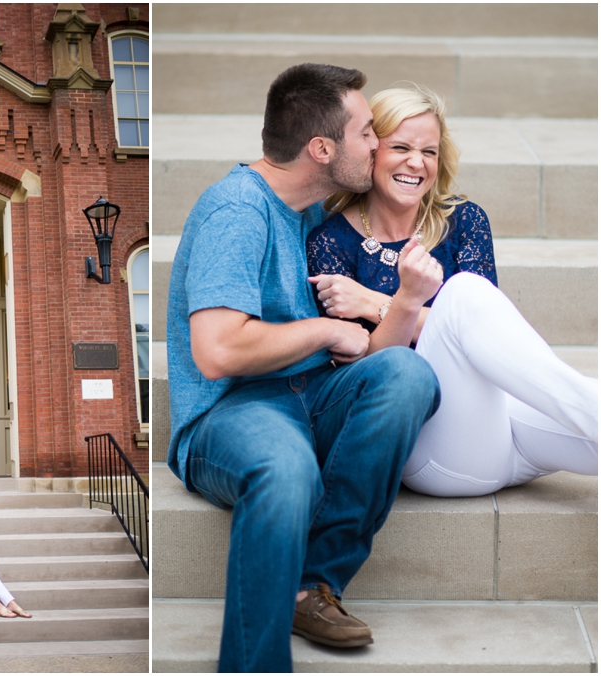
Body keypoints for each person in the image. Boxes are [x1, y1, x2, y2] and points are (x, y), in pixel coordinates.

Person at [166, 63, 442, 673]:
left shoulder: (314, 211)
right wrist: (325, 328)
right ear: (322, 148)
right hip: (234, 410)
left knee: (407, 376)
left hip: (312, 393)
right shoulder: (237, 212)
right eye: (368, 133)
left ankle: (314, 584)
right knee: (286, 466)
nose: (377, 145)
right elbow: (217, 352)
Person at [307, 83, 598, 497]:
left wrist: (374, 303)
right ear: (372, 152)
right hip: (437, 449)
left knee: (589, 438)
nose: (416, 162)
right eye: (401, 147)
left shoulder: (464, 220)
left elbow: (478, 333)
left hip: (500, 422)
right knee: (461, 292)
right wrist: (407, 301)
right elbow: (368, 369)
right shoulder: (331, 243)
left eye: (429, 151)